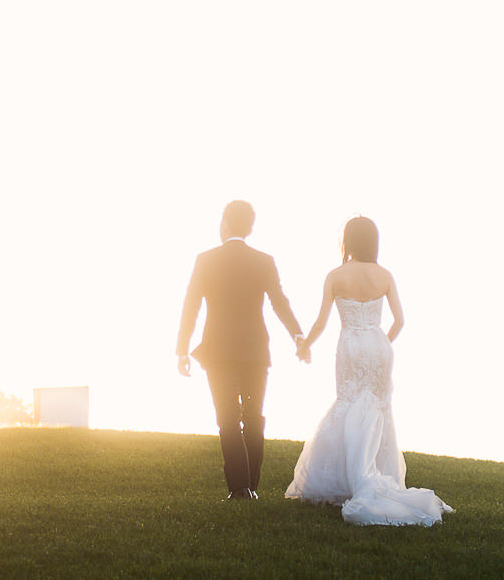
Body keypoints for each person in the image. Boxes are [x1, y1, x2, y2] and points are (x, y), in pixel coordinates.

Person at [285, 216, 452, 526]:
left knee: (348, 404)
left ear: (347, 241)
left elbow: (321, 321)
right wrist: (380, 344)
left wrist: (304, 344)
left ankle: (346, 480)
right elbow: (399, 320)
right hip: (378, 345)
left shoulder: (335, 276)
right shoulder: (385, 275)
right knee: (377, 410)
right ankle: (377, 473)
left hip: (349, 344)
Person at [176, 200, 304, 501]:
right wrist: (298, 335)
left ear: (225, 223)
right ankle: (252, 486)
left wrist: (182, 349)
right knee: (254, 416)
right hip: (255, 351)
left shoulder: (205, 259)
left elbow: (190, 306)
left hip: (218, 351)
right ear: (249, 227)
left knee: (228, 418)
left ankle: (239, 488)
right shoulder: (264, 260)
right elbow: (279, 303)